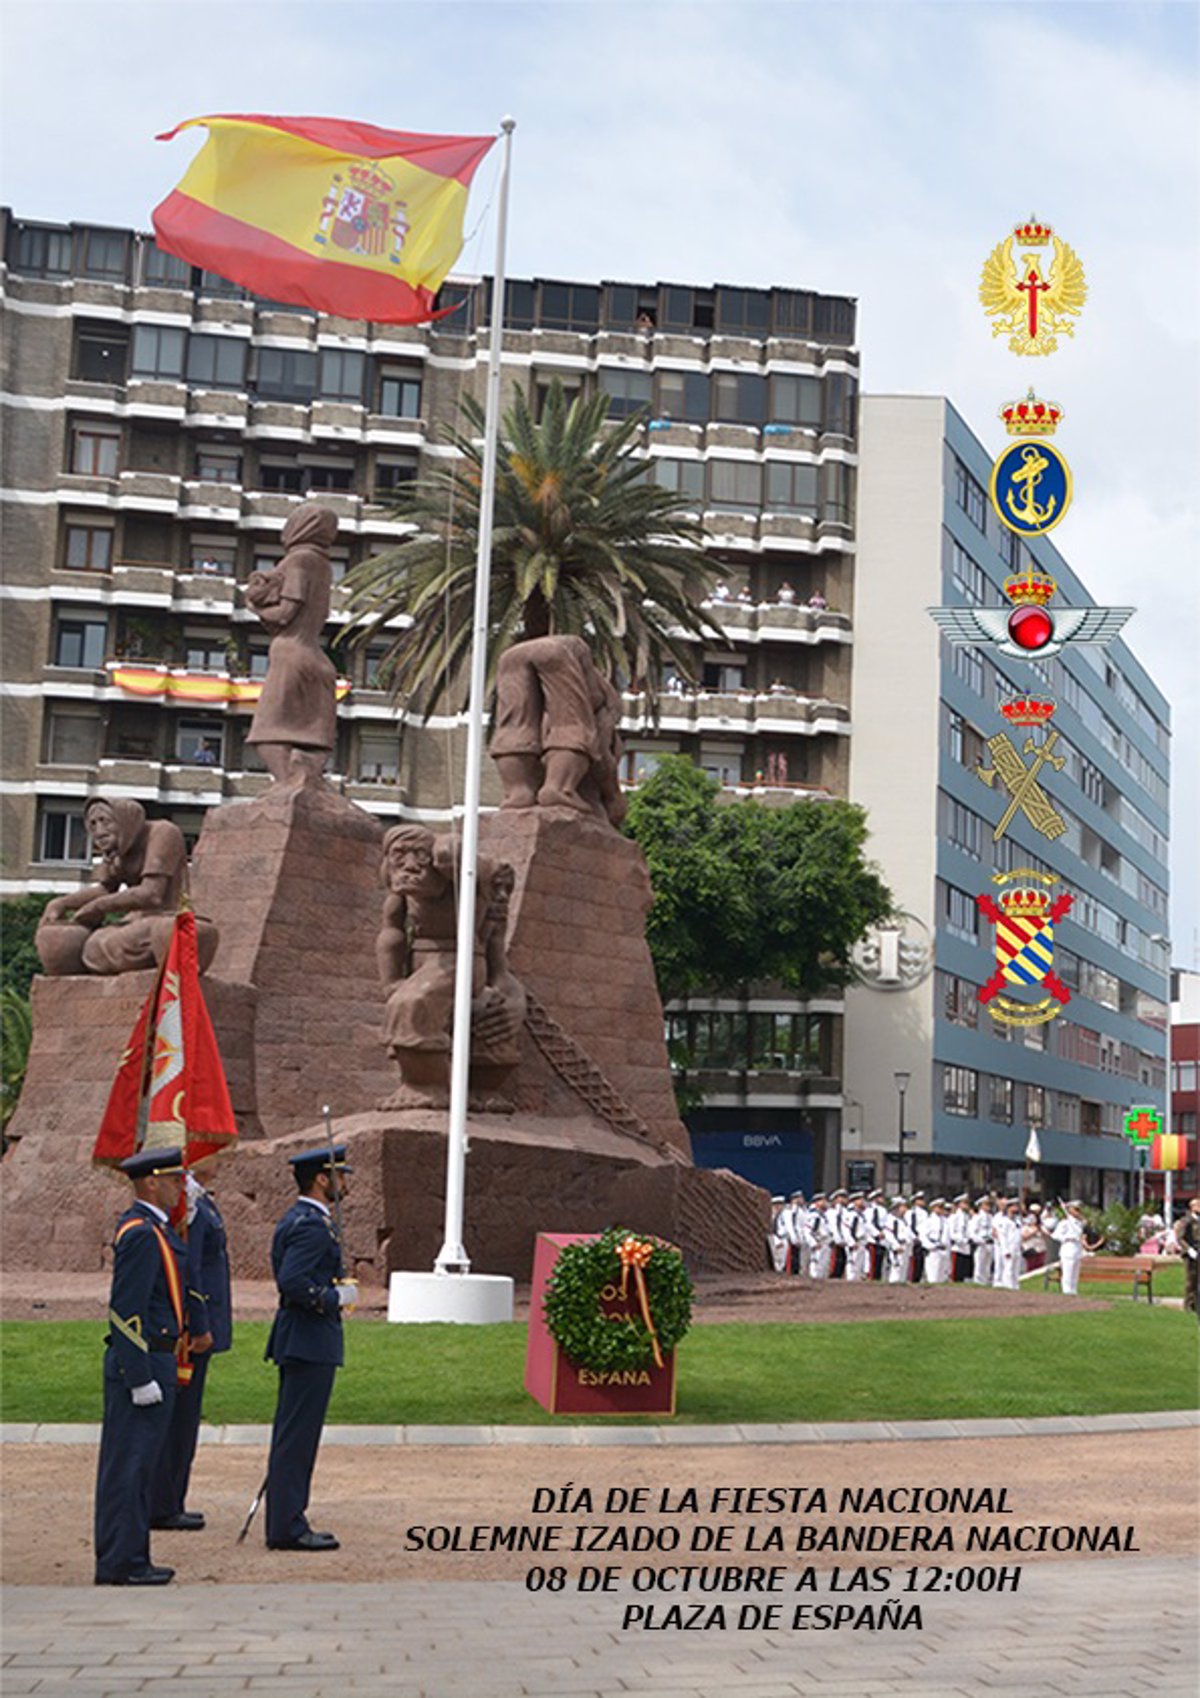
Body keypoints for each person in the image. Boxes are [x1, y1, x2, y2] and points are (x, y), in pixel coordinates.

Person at [94, 1147, 188, 1586]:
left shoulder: (155, 1230)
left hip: (158, 1356)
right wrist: (138, 1375)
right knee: (128, 1468)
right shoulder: (140, 1233)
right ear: (151, 1182)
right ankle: (120, 1562)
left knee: (141, 1467)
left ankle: (132, 1557)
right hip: (144, 1361)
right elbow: (125, 1309)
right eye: (174, 1179)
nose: (181, 1185)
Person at [264, 1144, 356, 1552]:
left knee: (295, 1435)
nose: (345, 1181)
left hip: (303, 1337)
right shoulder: (312, 1225)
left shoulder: (301, 1219)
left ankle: (287, 1517)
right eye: (340, 1175)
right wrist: (335, 1298)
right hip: (308, 1338)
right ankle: (286, 1525)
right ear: (322, 1179)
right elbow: (293, 1281)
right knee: (296, 1439)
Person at [149, 1155, 232, 1533]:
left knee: (186, 1417)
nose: (221, 1158)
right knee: (180, 1419)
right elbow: (192, 1269)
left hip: (202, 1321)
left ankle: (170, 1498)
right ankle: (164, 1503)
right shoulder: (191, 1205)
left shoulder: (201, 1201)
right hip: (194, 1328)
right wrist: (199, 1324)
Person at [1049, 1200, 1103, 1296]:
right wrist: (1068, 1237)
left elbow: (1085, 1228)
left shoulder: (1078, 1223)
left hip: (1077, 1248)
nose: (1079, 1211)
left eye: (1079, 1209)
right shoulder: (1065, 1222)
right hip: (1068, 1246)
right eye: (1076, 1209)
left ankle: (1073, 1291)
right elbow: (1055, 1235)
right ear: (1069, 1210)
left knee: (1075, 1271)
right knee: (1068, 1271)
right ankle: (1067, 1291)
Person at [1174, 1196, 1200, 1314]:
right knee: (1191, 1280)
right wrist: (1189, 1250)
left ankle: (1195, 1304)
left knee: (1197, 1280)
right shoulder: (1186, 1220)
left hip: (1198, 1251)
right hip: (1190, 1254)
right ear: (1192, 1207)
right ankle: (1188, 1305)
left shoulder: (1198, 1220)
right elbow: (1180, 1238)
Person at [921, 1198, 951, 1284]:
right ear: (933, 1208)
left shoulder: (945, 1221)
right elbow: (923, 1236)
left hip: (944, 1250)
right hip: (934, 1250)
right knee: (933, 1276)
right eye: (939, 1207)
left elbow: (947, 1237)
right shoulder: (928, 1221)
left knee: (942, 1276)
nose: (941, 1209)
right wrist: (930, 1246)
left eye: (942, 1207)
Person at [948, 1194, 974, 1283]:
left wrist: (969, 1239)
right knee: (956, 1274)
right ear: (959, 1204)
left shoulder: (967, 1216)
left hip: (966, 1248)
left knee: (963, 1274)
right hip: (957, 1247)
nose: (967, 1205)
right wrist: (962, 1240)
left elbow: (968, 1230)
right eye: (964, 1203)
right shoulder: (954, 1217)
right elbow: (951, 1233)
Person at [970, 1196, 995, 1287]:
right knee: (979, 1266)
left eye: (989, 1204)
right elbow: (972, 1233)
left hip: (990, 1243)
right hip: (981, 1244)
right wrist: (981, 1240)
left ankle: (986, 1283)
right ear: (980, 1206)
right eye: (986, 1204)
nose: (988, 1206)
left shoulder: (991, 1217)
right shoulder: (977, 1217)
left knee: (987, 1266)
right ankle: (978, 1284)